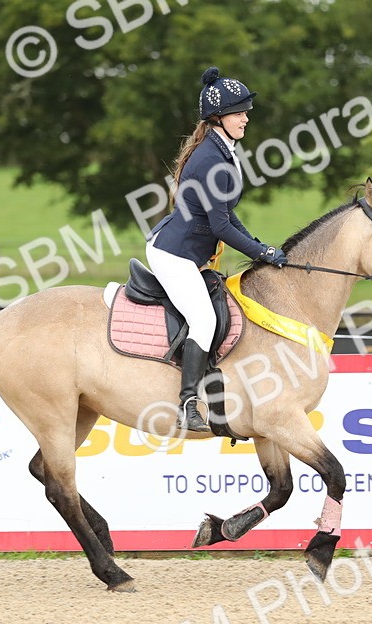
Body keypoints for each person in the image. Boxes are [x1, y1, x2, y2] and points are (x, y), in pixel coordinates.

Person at [146, 67, 288, 432]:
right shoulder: (211, 158)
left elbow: (226, 215)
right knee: (205, 319)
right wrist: (262, 255)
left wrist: (261, 247)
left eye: (245, 111)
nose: (245, 118)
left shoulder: (222, 149)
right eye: (239, 112)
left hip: (188, 251)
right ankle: (188, 403)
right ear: (218, 117)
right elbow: (221, 226)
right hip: (174, 255)